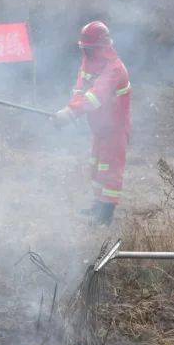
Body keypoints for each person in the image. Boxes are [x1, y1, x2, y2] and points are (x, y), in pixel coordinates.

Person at [53, 20, 132, 225]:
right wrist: (70, 111)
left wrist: (71, 113)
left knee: (111, 170)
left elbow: (96, 97)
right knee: (97, 167)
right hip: (99, 127)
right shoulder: (88, 64)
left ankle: (105, 215)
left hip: (115, 129)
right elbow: (80, 91)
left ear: (101, 47)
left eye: (90, 49)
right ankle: (98, 205)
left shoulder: (115, 69)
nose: (86, 53)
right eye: (85, 49)